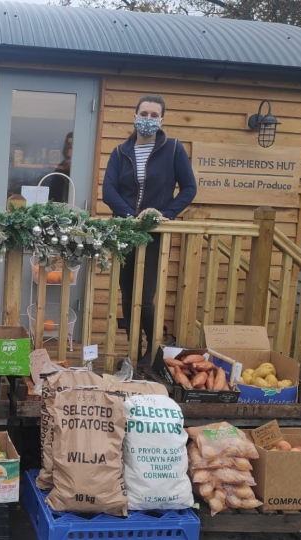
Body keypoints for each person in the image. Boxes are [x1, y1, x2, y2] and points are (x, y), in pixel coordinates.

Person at [102, 94, 197, 365]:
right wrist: (133, 217)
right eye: (144, 114)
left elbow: (189, 187)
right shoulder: (121, 152)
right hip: (125, 232)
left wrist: (165, 214)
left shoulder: (174, 149)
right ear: (135, 116)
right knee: (127, 293)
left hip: (155, 236)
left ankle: (153, 351)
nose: (148, 119)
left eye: (154, 115)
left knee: (144, 298)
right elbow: (109, 191)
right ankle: (135, 348)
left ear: (162, 120)